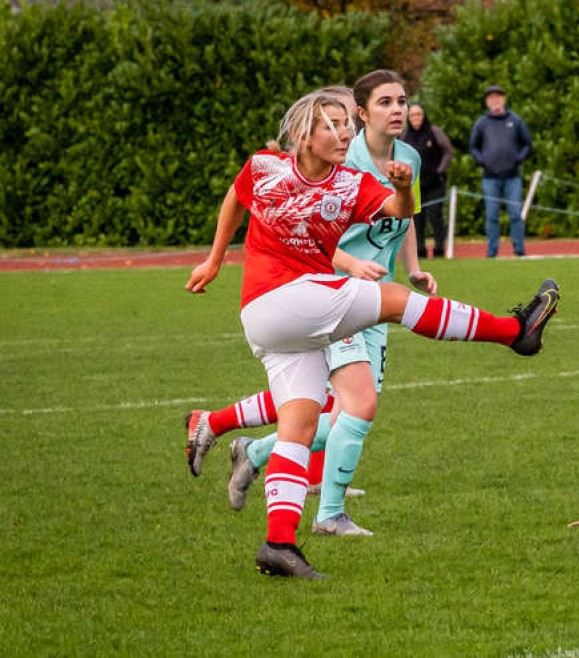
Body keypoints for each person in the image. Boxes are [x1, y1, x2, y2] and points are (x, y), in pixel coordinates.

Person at [186, 88, 560, 579]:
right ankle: (516, 332)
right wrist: (215, 259)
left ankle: (279, 545)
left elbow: (400, 212)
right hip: (278, 300)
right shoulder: (266, 167)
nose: (344, 133)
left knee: (298, 425)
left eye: (346, 123)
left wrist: (404, 187)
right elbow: (236, 198)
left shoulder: (350, 182)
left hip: (280, 323)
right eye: (333, 124)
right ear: (304, 134)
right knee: (395, 302)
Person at [185, 74, 432, 539]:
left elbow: (404, 213)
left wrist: (414, 266)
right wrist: (348, 263)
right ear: (362, 114)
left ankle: (248, 449)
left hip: (379, 295)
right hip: (331, 293)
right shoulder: (344, 154)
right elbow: (308, 228)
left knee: (333, 408)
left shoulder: (409, 157)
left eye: (403, 101)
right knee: (353, 407)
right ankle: (328, 513)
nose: (398, 110)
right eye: (386, 102)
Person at [468, 84, 532, 258]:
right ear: (487, 102)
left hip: (513, 177)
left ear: (504, 99)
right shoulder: (481, 123)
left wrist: (518, 160)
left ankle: (519, 249)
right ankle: (492, 250)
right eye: (491, 98)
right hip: (490, 177)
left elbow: (527, 144)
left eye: (498, 97)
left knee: (515, 214)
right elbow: (473, 147)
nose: (495, 101)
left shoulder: (516, 121)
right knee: (491, 215)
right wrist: (483, 162)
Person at [402, 103, 452, 259]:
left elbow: (448, 151)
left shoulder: (434, 132)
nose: (416, 118)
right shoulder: (404, 136)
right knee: (417, 219)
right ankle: (420, 251)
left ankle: (438, 249)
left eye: (418, 114)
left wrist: (440, 170)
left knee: (435, 215)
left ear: (423, 116)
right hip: (414, 184)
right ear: (408, 118)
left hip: (435, 183)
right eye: (412, 115)